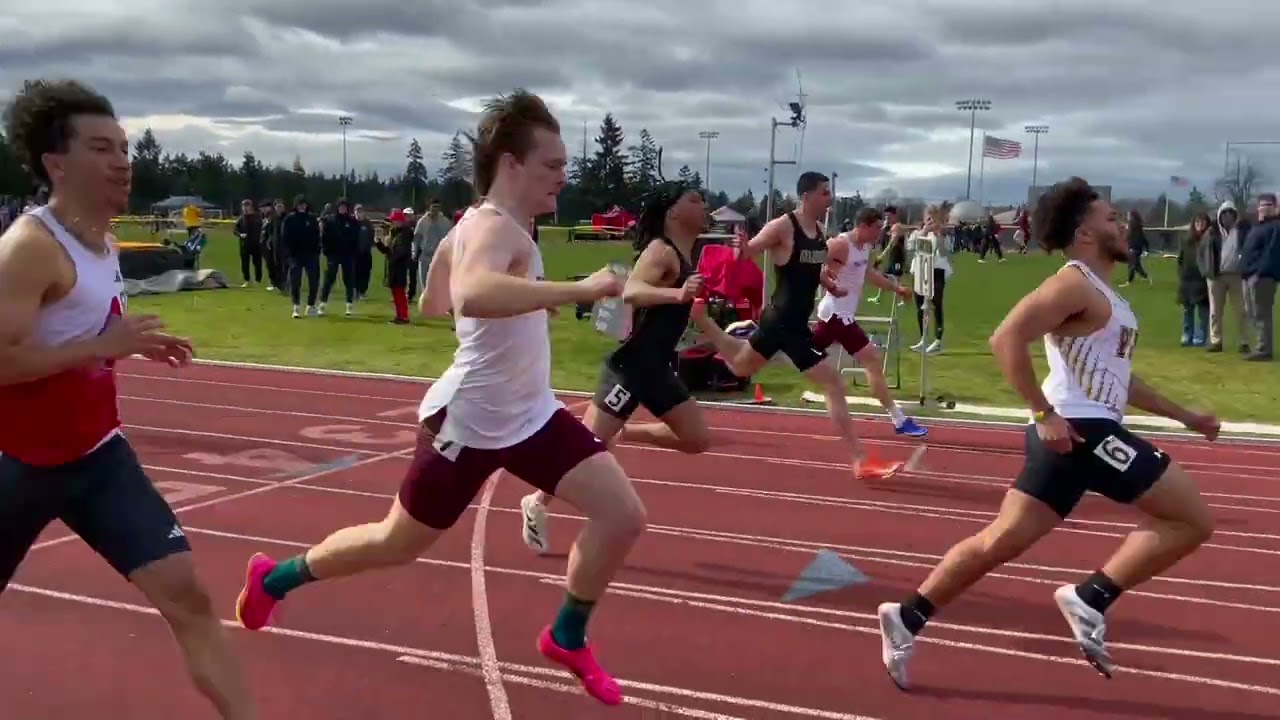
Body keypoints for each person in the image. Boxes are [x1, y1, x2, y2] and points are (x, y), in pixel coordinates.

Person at [234, 89, 642, 707]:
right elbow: (472, 294)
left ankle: (567, 636)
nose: (564, 175)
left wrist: (527, 302)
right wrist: (577, 288)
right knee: (396, 542)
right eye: (553, 164)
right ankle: (275, 578)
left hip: (529, 414)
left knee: (621, 515)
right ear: (511, 163)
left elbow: (434, 302)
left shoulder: (477, 226)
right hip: (469, 423)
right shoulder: (492, 227)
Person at [875, 177, 1220, 690]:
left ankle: (907, 616)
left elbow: (1122, 381)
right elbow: (1005, 338)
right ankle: (1090, 598)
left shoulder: (1106, 295)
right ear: (1085, 233)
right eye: (1111, 219)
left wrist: (1185, 416)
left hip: (1077, 434)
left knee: (998, 542)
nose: (1123, 226)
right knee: (1191, 519)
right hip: (1080, 430)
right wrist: (1043, 413)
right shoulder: (1073, 284)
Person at [0, 79, 257, 720]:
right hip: (16, 464)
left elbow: (79, 332)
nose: (122, 162)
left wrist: (128, 344)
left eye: (123, 148)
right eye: (101, 148)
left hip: (96, 459)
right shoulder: (29, 249)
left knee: (188, 598)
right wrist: (102, 344)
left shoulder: (102, 237)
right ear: (57, 164)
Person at [520, 183, 713, 554]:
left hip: (657, 370)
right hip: (631, 368)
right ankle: (536, 501)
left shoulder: (687, 253)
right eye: (694, 200)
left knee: (697, 440)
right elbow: (632, 292)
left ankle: (626, 432)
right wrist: (678, 294)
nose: (703, 205)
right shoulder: (661, 251)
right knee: (583, 449)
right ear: (673, 211)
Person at [689, 172, 902, 479]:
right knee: (834, 383)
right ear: (806, 196)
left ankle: (703, 321)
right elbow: (750, 251)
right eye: (824, 192)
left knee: (741, 367)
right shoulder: (783, 226)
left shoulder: (819, 230)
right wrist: (742, 248)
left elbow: (813, 269)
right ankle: (860, 459)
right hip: (785, 323)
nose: (829, 198)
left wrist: (830, 285)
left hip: (790, 321)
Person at [817, 207, 926, 438]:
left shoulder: (865, 247)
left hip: (839, 316)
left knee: (802, 354)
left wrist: (896, 288)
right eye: (877, 228)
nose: (880, 232)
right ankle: (899, 419)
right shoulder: (840, 244)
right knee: (872, 360)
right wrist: (827, 280)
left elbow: (869, 275)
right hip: (836, 314)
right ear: (863, 226)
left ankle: (756, 348)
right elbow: (812, 264)